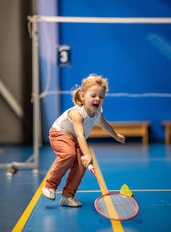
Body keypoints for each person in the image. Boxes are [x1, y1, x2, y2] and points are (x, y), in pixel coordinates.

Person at [42, 74, 125, 207]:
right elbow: (80, 135)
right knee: (69, 155)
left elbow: (104, 124)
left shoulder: (98, 112)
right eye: (93, 95)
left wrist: (116, 135)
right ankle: (49, 186)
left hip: (75, 139)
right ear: (82, 96)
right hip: (60, 134)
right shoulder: (77, 113)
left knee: (81, 166)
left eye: (101, 96)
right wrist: (86, 154)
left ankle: (67, 196)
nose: (97, 99)